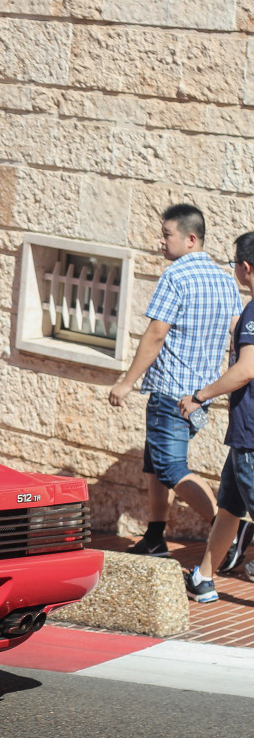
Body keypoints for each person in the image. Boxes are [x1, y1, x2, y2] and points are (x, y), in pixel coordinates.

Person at [109, 204, 242, 556]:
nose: (161, 241)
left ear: (190, 239)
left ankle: (229, 527)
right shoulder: (224, 279)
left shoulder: (176, 276)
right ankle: (155, 536)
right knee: (155, 463)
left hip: (171, 392)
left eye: (167, 234)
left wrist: (126, 383)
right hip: (201, 395)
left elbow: (156, 334)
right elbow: (235, 334)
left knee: (170, 467)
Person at [179, 231, 254, 602]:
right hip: (243, 438)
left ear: (245, 267)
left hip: (251, 435)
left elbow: (246, 370)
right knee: (229, 508)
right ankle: (203, 579)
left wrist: (199, 396)